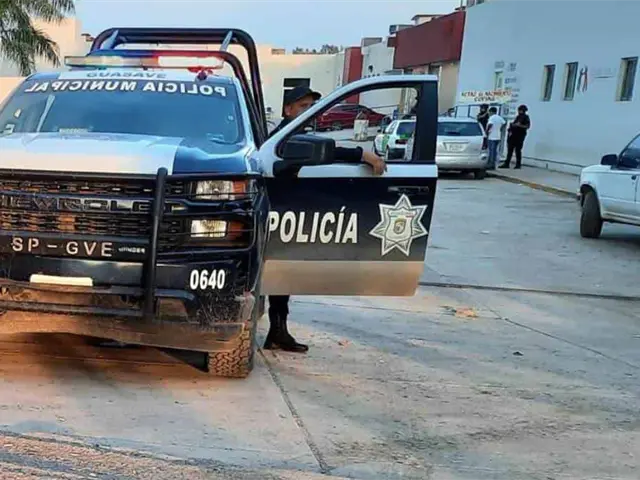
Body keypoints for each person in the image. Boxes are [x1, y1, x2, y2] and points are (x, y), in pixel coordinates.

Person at [265, 85, 387, 353]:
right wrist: (361, 154)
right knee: (277, 276)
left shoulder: (298, 136)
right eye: (303, 107)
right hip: (277, 214)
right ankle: (275, 331)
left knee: (282, 277)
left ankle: (277, 331)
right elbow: (331, 151)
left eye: (312, 108)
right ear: (288, 110)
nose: (308, 112)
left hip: (290, 214)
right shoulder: (284, 139)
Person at [500, 104, 531, 169]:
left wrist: (519, 125)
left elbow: (527, 126)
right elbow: (514, 124)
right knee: (510, 150)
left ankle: (518, 164)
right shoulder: (518, 117)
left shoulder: (526, 117)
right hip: (513, 135)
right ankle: (507, 163)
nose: (519, 111)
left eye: (520, 110)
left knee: (518, 150)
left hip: (520, 136)